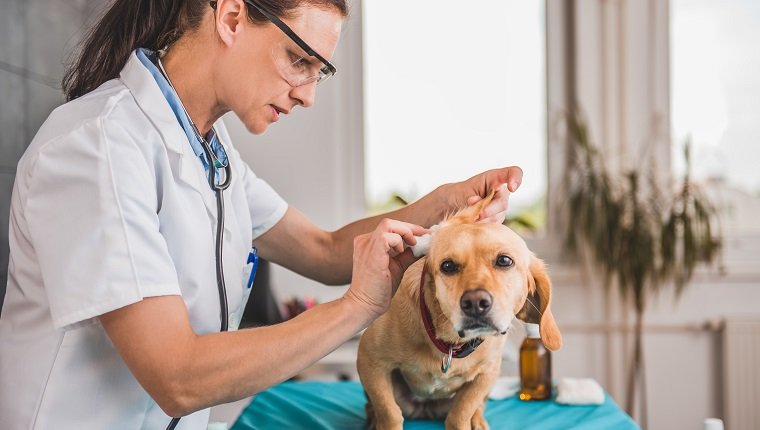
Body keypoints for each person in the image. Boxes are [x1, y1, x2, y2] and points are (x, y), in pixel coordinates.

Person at [0, 0, 523, 428]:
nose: (309, 95)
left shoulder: (212, 153)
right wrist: (355, 307)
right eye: (300, 62)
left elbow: (323, 250)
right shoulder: (97, 149)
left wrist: (447, 204)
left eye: (321, 72)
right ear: (230, 18)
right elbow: (176, 378)